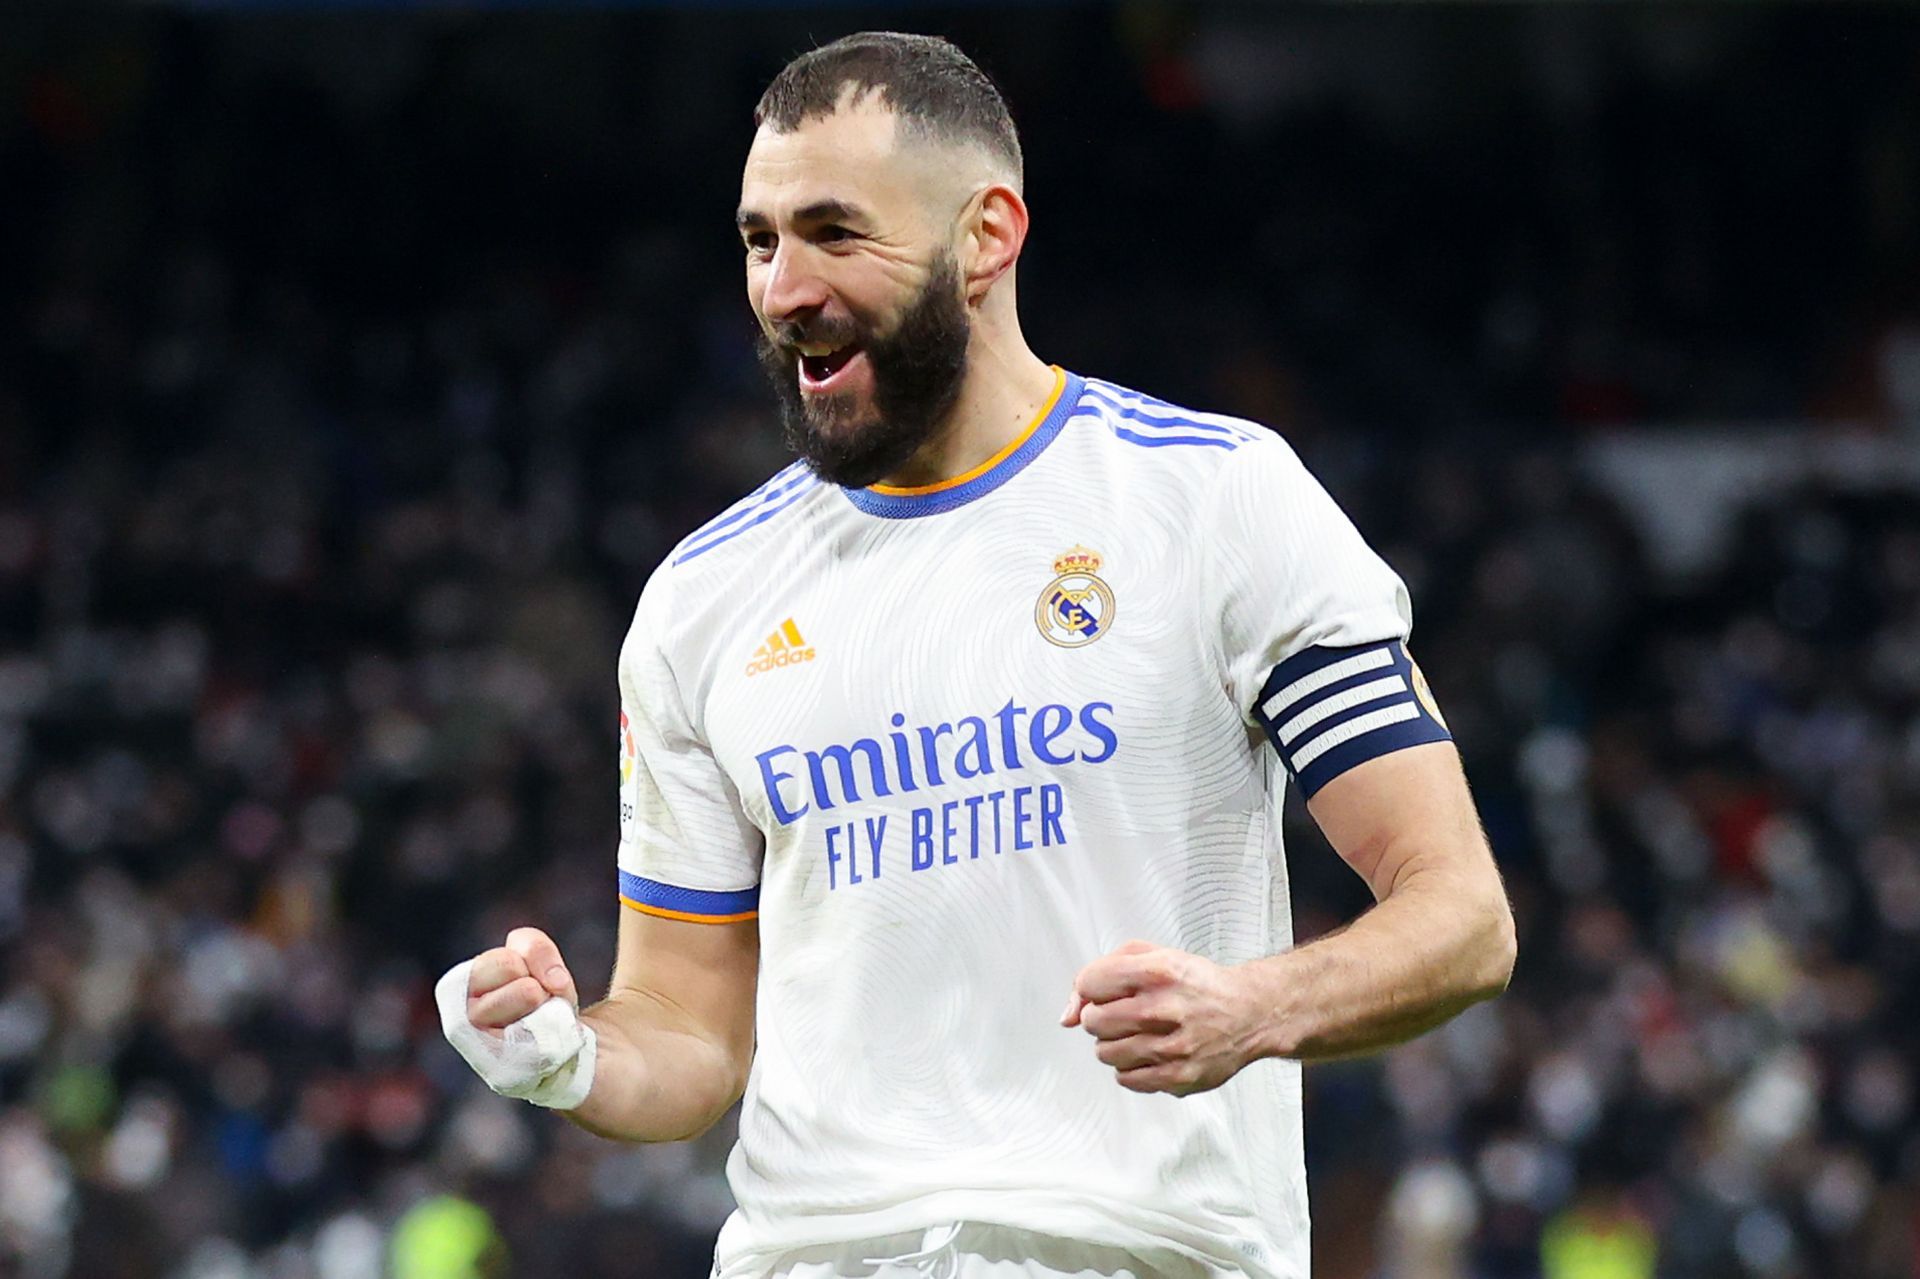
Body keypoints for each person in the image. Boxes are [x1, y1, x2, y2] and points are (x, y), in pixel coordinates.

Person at [436, 31, 1516, 1279]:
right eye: (760, 240)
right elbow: (687, 1034)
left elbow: (1462, 919)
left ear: (988, 236)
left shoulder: (1217, 502)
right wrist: (564, 1051)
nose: (785, 287)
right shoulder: (703, 598)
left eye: (836, 233)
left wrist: (1250, 1009)